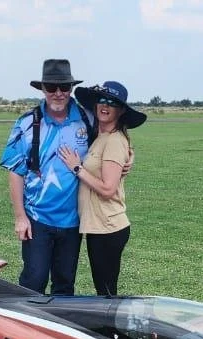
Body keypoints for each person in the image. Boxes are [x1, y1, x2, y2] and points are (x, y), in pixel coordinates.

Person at [0, 59, 94, 296]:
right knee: (34, 281)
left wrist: (128, 155)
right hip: (37, 218)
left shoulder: (87, 119)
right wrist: (20, 217)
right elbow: (15, 170)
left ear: (71, 88)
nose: (58, 93)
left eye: (64, 87)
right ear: (42, 89)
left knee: (65, 284)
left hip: (73, 220)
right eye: (51, 87)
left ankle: (58, 322)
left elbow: (113, 138)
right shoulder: (26, 123)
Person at [57, 81, 146, 297]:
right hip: (98, 226)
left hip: (108, 228)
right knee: (104, 289)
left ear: (121, 110)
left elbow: (107, 189)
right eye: (102, 100)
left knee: (106, 292)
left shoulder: (114, 141)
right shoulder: (100, 136)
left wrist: (77, 168)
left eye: (112, 103)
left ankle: (113, 320)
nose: (105, 106)